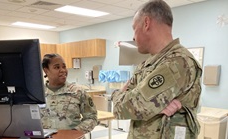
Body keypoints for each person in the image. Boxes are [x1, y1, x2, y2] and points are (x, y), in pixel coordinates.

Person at [112, 0, 202, 139]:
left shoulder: (177, 62)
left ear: (146, 23)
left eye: (134, 28)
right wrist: (155, 104)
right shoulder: (147, 64)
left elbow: (127, 107)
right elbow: (130, 103)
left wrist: (119, 96)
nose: (133, 37)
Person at [40, 53, 98, 134]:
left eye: (64, 66)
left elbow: (92, 118)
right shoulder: (38, 94)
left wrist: (75, 132)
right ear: (46, 70)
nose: (63, 70)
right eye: (57, 67)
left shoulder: (78, 92)